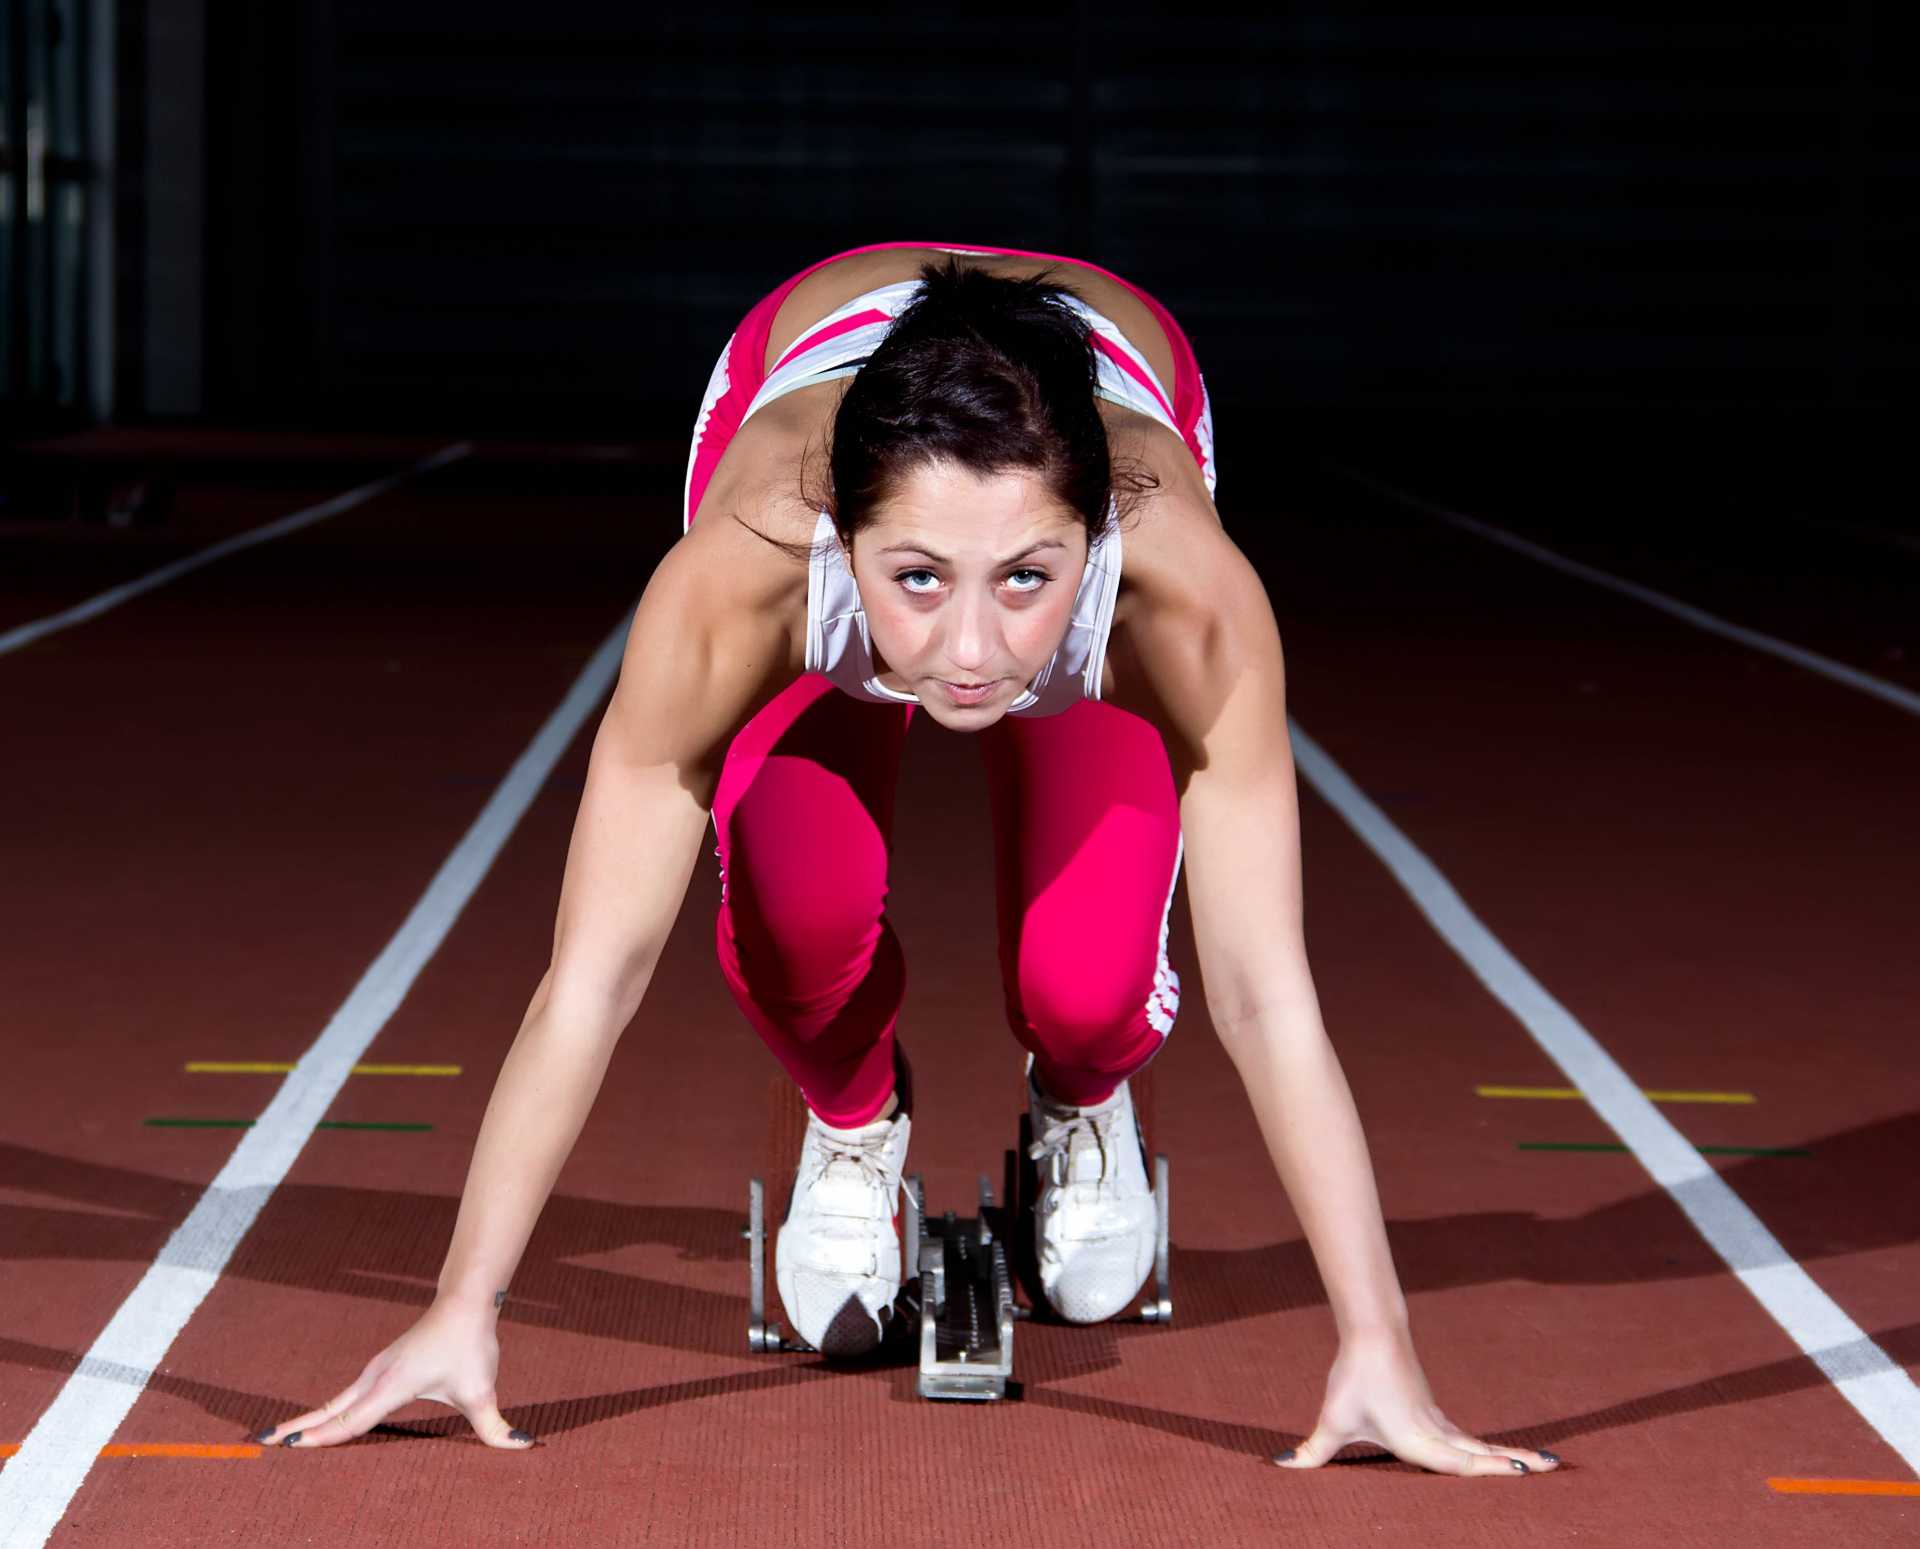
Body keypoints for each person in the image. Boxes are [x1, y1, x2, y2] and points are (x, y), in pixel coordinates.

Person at [258, 241, 1561, 1477]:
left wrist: (1379, 1342)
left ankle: (1082, 1099)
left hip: (1105, 365)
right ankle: (850, 1115)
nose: (978, 650)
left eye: (1029, 579)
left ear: (1098, 536)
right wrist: (460, 1304)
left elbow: (1266, 993)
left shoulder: (1186, 592)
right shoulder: (747, 576)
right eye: (920, 579)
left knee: (1091, 981)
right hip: (807, 382)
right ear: (848, 530)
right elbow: (592, 975)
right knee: (796, 908)